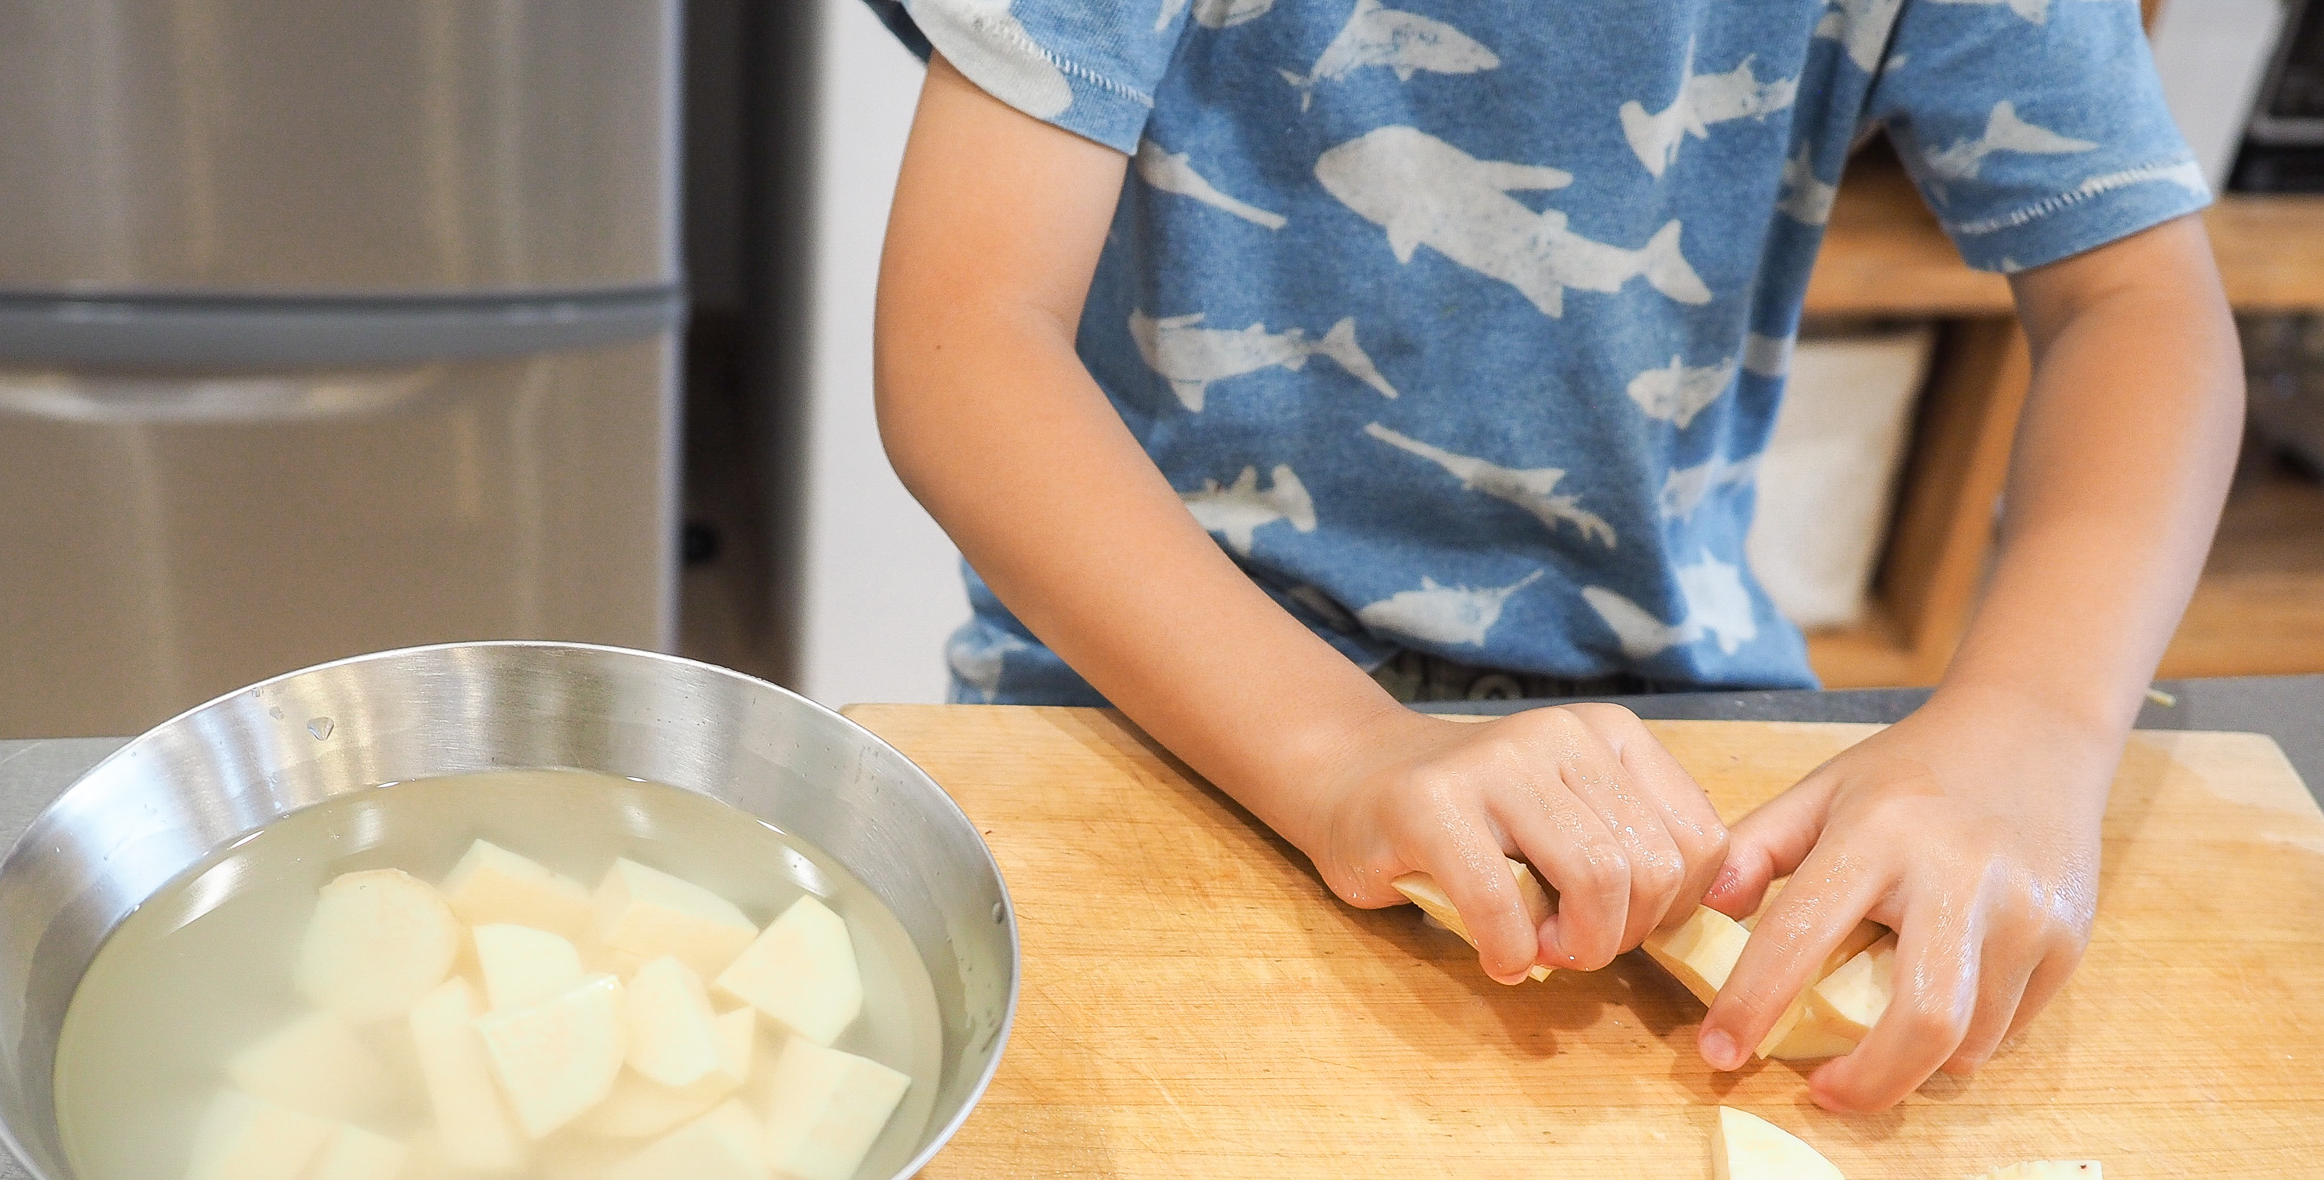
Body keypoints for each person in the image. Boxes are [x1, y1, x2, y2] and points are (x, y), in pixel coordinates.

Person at [865, 0, 2243, 1110]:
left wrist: (2036, 721)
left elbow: (2137, 303)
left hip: (1672, 753)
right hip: (1135, 719)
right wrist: (1347, 752)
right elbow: (969, 338)